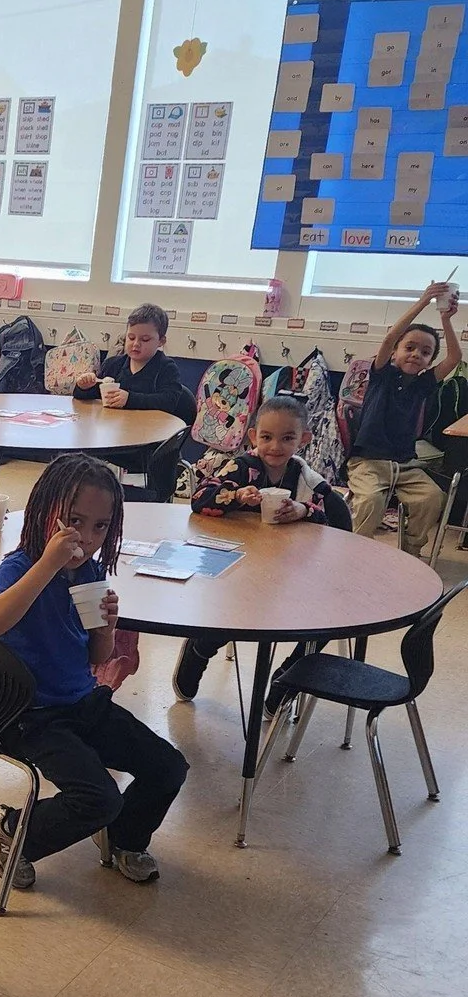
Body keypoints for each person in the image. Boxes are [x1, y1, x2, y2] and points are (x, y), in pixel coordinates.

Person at [0, 452, 188, 887]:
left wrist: (107, 627)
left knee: (168, 766)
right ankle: (12, 830)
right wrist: (49, 563)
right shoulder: (21, 566)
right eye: (74, 521)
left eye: (100, 527)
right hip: (30, 716)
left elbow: (97, 656)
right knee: (98, 798)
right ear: (45, 510)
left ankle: (125, 838)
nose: (87, 538)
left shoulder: (90, 572)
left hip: (81, 701)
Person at [175, 395, 348, 702]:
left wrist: (302, 509)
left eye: (287, 438)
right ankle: (199, 649)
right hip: (239, 569)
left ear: (303, 440)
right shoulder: (242, 467)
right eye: (266, 437)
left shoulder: (306, 477)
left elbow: (334, 517)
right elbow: (200, 498)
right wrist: (237, 495)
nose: (275, 447)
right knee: (232, 612)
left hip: (291, 573)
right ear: (253, 436)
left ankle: (289, 676)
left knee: (329, 618)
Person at [346, 280, 461, 557]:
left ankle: (410, 554)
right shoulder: (382, 375)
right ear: (396, 351)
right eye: (409, 347)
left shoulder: (423, 385)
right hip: (368, 463)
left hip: (404, 466)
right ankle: (355, 553)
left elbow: (454, 356)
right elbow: (388, 339)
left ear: (430, 360)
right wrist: (423, 302)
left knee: (432, 498)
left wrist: (445, 319)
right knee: (371, 500)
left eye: (425, 352)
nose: (415, 355)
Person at [71, 302, 196, 425]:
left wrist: (129, 399)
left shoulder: (166, 368)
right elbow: (93, 397)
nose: (136, 344)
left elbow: (168, 402)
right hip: (115, 431)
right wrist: (83, 387)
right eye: (131, 337)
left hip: (150, 435)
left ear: (161, 341)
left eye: (145, 339)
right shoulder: (113, 365)